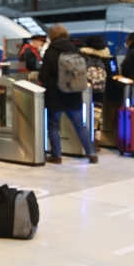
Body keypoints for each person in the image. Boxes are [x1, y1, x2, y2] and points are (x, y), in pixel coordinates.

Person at [39, 23, 98, 165]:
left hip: (55, 94)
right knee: (80, 125)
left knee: (53, 125)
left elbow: (44, 75)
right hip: (73, 93)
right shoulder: (75, 50)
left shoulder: (51, 52)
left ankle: (56, 156)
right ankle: (91, 153)